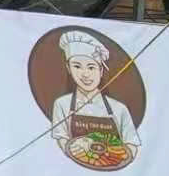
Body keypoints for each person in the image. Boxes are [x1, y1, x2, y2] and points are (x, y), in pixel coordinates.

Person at [49, 30, 140, 163]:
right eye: (77, 67)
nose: (85, 74)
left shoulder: (119, 109)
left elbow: (132, 145)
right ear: (68, 68)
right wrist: (74, 151)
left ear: (101, 70)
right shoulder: (62, 104)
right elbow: (61, 138)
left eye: (91, 68)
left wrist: (115, 158)